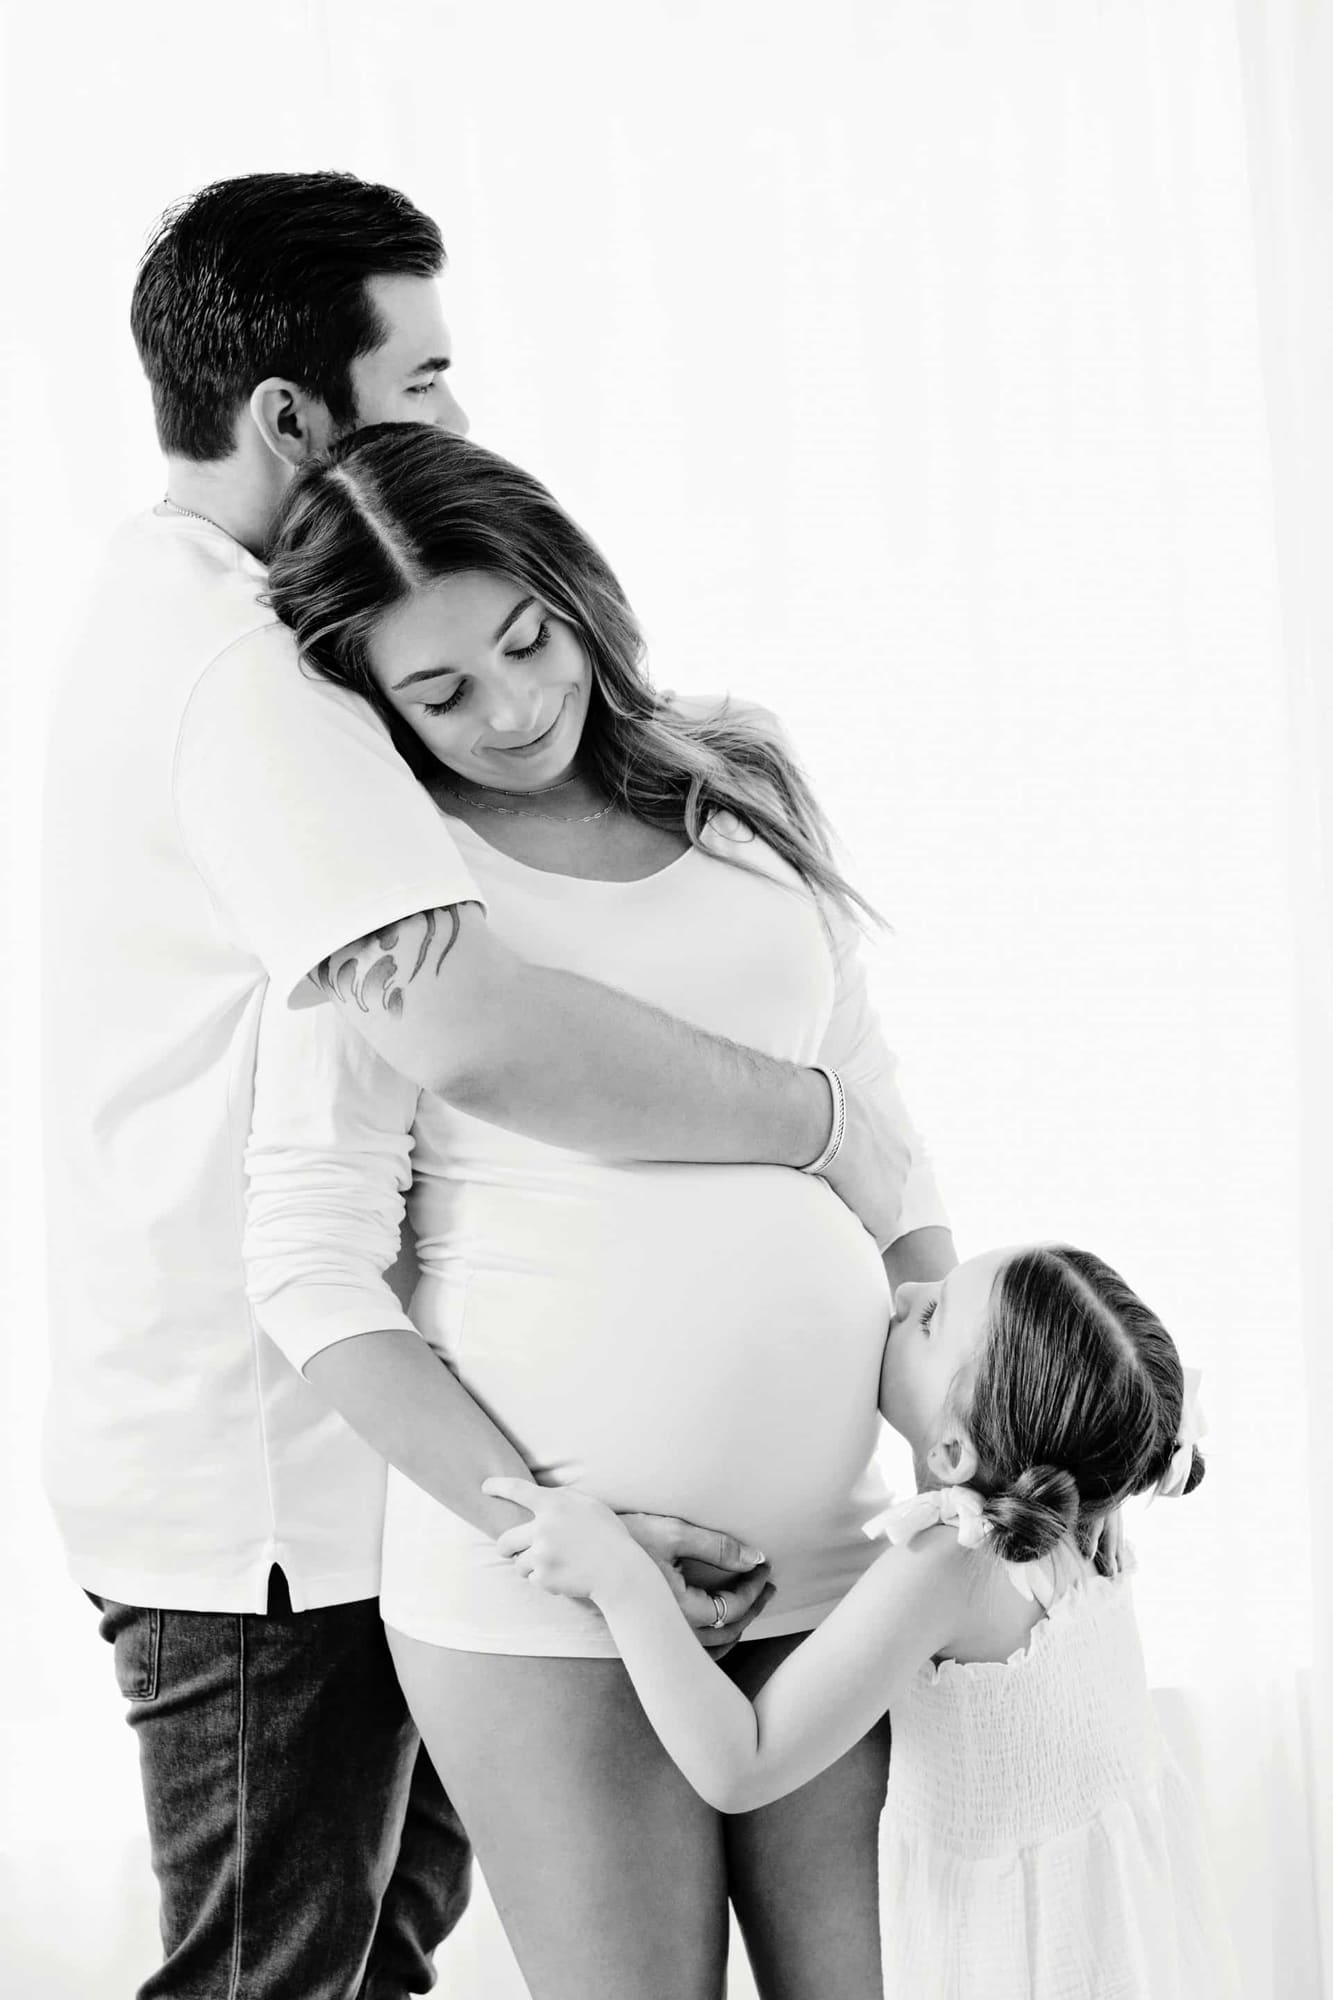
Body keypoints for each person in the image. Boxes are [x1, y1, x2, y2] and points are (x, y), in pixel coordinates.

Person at [41, 171, 918, 2000]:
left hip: (476, 1507)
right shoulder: (260, 672)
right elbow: (471, 1037)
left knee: (371, 1966)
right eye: (423, 376)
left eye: (527, 644)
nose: (454, 412)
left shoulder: (286, 649)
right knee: (278, 1978)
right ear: (294, 417)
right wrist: (815, 1131)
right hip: (275, 1491)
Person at [243, 420, 955, 2000]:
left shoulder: (739, 770)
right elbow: (309, 1268)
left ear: (576, 592)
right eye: (440, 693)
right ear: (369, 705)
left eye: (527, 637)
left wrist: (966, 1438)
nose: (514, 708)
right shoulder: (379, 881)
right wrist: (556, 1530)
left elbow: (876, 1119)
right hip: (553, 1596)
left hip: (839, 1558)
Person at [488, 1243, 1243, 2000]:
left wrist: (620, 1578)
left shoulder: (953, 1559)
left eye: (931, 1316)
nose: (906, 1289)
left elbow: (740, 1765)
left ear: (953, 1450)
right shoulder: (1088, 1523)